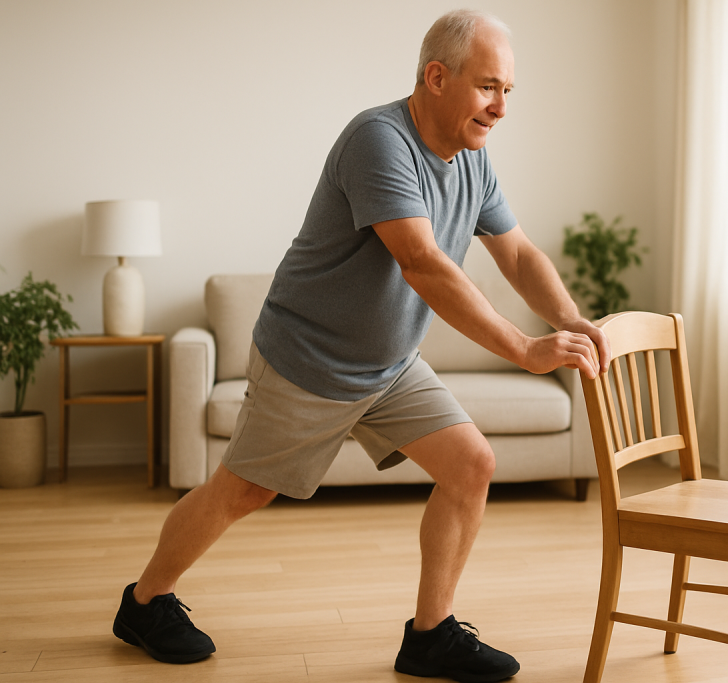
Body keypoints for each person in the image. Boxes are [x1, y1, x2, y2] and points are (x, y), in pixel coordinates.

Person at [111, 9, 609, 683]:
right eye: (489, 86)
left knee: (471, 464)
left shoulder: (472, 159)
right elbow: (421, 261)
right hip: (308, 358)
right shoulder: (379, 141)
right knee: (243, 491)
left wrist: (571, 318)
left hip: (389, 363)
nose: (500, 106)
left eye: (508, 92)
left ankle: (430, 635)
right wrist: (524, 347)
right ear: (437, 76)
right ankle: (144, 602)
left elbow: (517, 252)